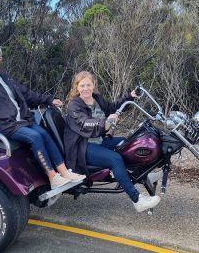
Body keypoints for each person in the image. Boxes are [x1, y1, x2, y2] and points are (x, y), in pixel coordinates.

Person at [0, 42, 85, 189]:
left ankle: (64, 172)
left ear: (0, 59)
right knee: (35, 137)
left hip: (21, 120)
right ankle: (52, 176)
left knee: (44, 133)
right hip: (2, 123)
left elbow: (26, 93)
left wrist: (48, 100)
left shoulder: (4, 77)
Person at [64, 71, 161, 212]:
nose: (86, 88)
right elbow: (85, 123)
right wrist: (106, 122)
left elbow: (113, 107)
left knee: (127, 143)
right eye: (82, 85)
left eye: (88, 85)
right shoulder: (74, 106)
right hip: (82, 147)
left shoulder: (96, 99)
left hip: (99, 141)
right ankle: (137, 200)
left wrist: (130, 96)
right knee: (115, 159)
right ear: (77, 87)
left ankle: (142, 174)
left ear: (93, 85)